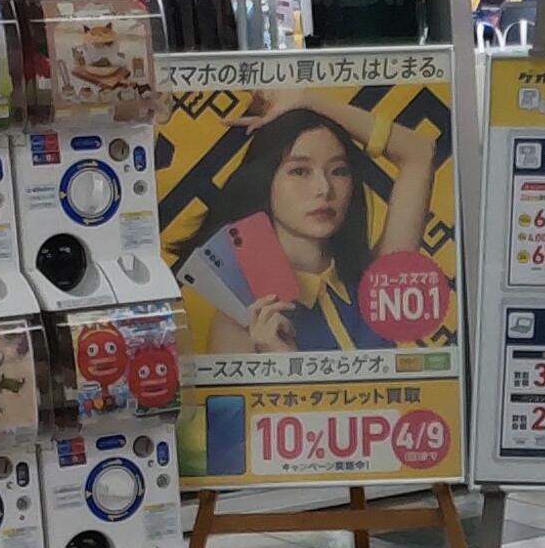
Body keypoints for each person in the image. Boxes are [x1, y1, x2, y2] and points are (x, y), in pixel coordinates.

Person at [181, 95, 443, 357]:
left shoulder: (377, 287)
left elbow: (419, 153)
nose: (323, 189)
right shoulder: (245, 319)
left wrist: (307, 100)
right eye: (300, 171)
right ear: (264, 181)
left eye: (338, 171)